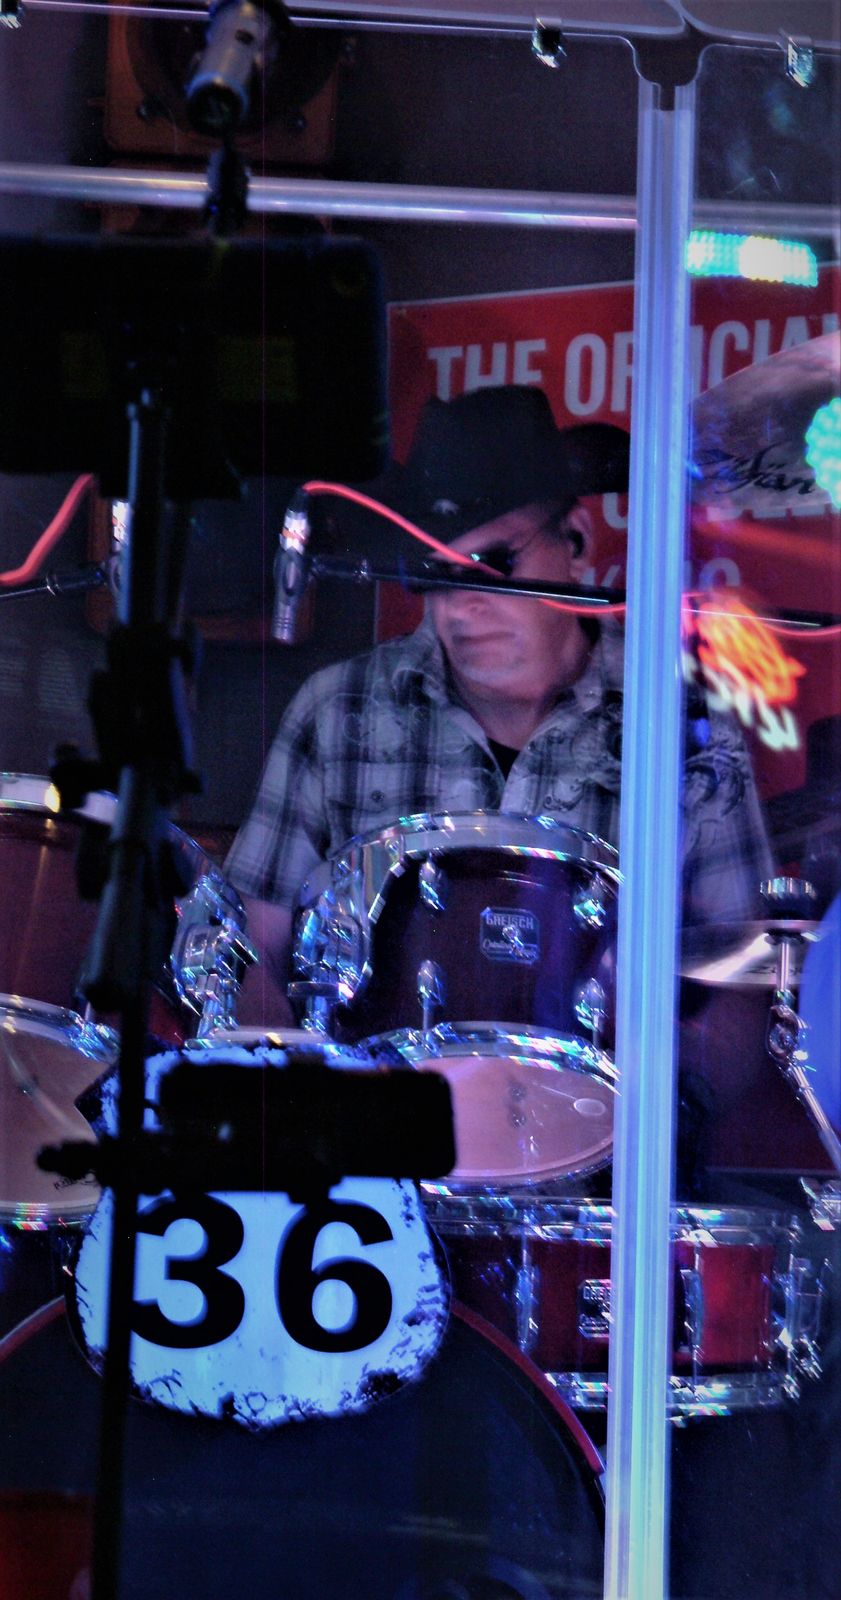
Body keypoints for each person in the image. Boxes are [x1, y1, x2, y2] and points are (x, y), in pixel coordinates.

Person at [225, 384, 773, 1038]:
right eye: (432, 572)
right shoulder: (335, 712)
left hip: (605, 1101)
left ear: (576, 542)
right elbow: (248, 944)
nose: (461, 603)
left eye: (490, 563)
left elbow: (742, 995)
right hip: (377, 1098)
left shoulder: (682, 725)